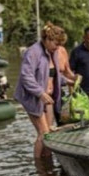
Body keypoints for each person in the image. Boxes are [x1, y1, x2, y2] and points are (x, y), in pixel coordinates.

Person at [15, 22, 66, 158]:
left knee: (49, 133)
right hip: (33, 97)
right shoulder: (33, 52)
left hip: (48, 98)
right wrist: (40, 93)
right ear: (47, 39)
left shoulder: (52, 52)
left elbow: (52, 74)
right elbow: (26, 76)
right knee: (43, 134)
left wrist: (68, 81)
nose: (58, 48)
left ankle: (47, 159)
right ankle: (39, 166)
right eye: (56, 44)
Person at [55, 43, 77, 125]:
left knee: (63, 121)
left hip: (59, 92)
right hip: (48, 91)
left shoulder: (62, 50)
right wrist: (68, 81)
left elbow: (67, 71)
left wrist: (75, 79)